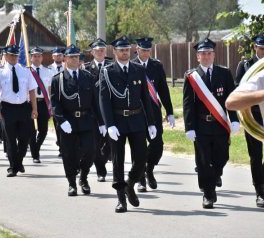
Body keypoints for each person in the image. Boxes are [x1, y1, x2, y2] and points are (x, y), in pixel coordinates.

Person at [99, 36, 157, 213]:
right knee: (118, 161)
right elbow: (104, 99)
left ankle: (130, 184)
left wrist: (151, 123)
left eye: (126, 49)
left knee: (141, 157)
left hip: (137, 119)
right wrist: (109, 124)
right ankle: (121, 199)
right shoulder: (107, 71)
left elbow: (145, 98)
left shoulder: (138, 69)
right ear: (115, 52)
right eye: (121, 50)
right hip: (117, 121)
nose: (124, 52)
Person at [183, 38, 240, 209]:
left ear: (214, 55)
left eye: (209, 53)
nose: (206, 57)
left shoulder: (225, 73)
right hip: (201, 126)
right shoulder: (192, 76)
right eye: (203, 54)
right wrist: (189, 127)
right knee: (203, 161)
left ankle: (215, 175)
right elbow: (188, 104)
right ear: (197, 57)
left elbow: (231, 99)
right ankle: (208, 194)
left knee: (223, 156)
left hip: (220, 124)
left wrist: (235, 119)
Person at [50, 44, 103, 196]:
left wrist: (102, 122)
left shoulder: (88, 77)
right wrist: (61, 120)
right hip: (68, 121)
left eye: (77, 56)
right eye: (71, 56)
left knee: (91, 151)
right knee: (68, 154)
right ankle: (72, 183)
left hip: (86, 120)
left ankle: (84, 177)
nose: (75, 59)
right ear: (65, 58)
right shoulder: (58, 79)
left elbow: (95, 102)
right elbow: (55, 104)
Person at [132, 37, 174, 192]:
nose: (146, 53)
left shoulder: (156, 66)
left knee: (158, 146)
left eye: (148, 50)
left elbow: (163, 89)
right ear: (137, 50)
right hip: (137, 113)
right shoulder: (131, 66)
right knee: (139, 148)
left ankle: (149, 168)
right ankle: (141, 179)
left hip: (154, 112)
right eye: (143, 50)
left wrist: (169, 111)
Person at [226, 35, 264, 207]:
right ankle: (260, 191)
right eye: (261, 48)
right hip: (253, 115)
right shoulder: (246, 65)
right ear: (255, 47)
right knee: (256, 155)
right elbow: (237, 90)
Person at [0, 44, 38, 177]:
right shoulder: (0, 72)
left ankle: (18, 161)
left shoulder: (25, 71)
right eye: (11, 55)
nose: (14, 57)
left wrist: (34, 108)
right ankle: (13, 167)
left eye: (16, 55)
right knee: (10, 140)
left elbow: (32, 90)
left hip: (23, 108)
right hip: (8, 108)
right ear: (5, 55)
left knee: (24, 138)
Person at [84, 38, 112, 182]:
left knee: (110, 142)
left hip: (110, 112)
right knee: (94, 144)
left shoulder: (112, 66)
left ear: (105, 51)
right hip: (93, 113)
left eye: (102, 49)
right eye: (97, 50)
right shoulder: (87, 68)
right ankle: (101, 170)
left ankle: (103, 160)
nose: (100, 52)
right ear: (92, 52)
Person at [29, 47, 53, 163]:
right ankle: (35, 155)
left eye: (39, 56)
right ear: (31, 58)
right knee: (32, 130)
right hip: (30, 103)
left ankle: (36, 148)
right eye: (35, 56)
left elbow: (49, 90)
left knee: (43, 130)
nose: (37, 58)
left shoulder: (48, 71)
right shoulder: (27, 71)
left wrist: (51, 105)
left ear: (42, 57)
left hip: (43, 103)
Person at [49, 46, 65, 157]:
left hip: (66, 100)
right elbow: (48, 87)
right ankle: (60, 145)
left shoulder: (67, 67)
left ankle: (64, 147)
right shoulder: (48, 69)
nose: (58, 56)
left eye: (60, 55)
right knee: (57, 125)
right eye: (56, 55)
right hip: (55, 100)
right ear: (52, 56)